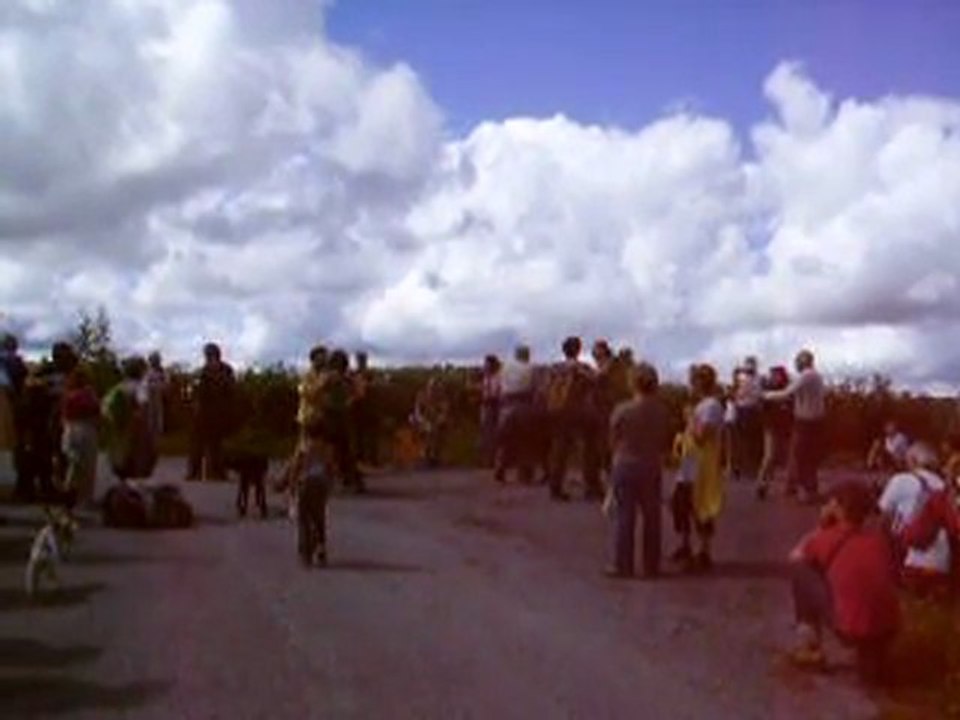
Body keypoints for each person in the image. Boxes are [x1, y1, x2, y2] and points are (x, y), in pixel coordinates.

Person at [787, 480, 901, 684]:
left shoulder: (826, 537)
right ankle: (878, 653)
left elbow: (795, 556)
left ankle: (810, 645)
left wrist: (821, 526)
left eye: (829, 503)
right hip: (889, 627)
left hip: (847, 628)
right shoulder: (880, 540)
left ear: (837, 508)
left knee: (800, 571)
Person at [606, 362, 670, 579]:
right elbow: (664, 440)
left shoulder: (622, 409)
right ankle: (651, 565)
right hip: (651, 464)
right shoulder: (661, 411)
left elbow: (613, 439)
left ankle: (623, 564)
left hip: (626, 463)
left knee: (626, 516)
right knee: (652, 517)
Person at [878, 442, 951, 598]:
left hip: (908, 547)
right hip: (940, 553)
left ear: (912, 460)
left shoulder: (900, 480)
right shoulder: (943, 484)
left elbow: (883, 513)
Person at [672, 364, 725, 571]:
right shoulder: (701, 404)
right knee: (680, 503)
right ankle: (685, 544)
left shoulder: (711, 406)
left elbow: (702, 436)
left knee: (700, 506)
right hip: (691, 460)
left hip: (702, 463)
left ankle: (704, 551)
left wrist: (690, 418)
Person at [765, 349, 826, 504]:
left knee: (801, 456)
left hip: (806, 422)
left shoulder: (806, 376)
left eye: (798, 361)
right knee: (808, 457)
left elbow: (787, 393)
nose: (795, 364)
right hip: (816, 422)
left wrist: (766, 395)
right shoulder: (816, 376)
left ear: (803, 361)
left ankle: (806, 492)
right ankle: (807, 489)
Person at [547, 336, 601, 502]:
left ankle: (555, 486)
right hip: (578, 411)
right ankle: (592, 486)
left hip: (557, 410)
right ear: (578, 349)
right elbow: (596, 380)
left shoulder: (555, 368)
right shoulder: (581, 368)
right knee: (590, 447)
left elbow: (546, 387)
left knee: (560, 448)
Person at [289, 422, 338, 567]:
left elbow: (295, 467)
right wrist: (330, 485)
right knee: (319, 517)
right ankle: (321, 549)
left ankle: (306, 552)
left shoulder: (304, 447)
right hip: (321, 485)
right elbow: (331, 469)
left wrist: (291, 486)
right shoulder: (327, 449)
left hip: (305, 484)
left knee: (303, 519)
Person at [186, 343, 236, 482]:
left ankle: (213, 472)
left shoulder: (221, 370)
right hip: (209, 411)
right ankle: (199, 472)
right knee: (204, 443)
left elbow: (231, 389)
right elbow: (197, 391)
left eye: (208, 354)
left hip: (213, 411)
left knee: (212, 443)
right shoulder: (209, 370)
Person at [102, 357, 154, 482]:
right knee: (136, 462)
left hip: (118, 429)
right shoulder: (139, 387)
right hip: (134, 429)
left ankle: (123, 486)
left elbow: (105, 408)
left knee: (121, 460)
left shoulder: (117, 388)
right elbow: (143, 406)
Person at [324, 349, 365, 493]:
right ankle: (349, 479)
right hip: (339, 415)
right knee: (342, 450)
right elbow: (357, 393)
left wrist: (346, 401)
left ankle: (347, 479)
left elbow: (357, 393)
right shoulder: (343, 377)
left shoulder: (336, 377)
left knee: (338, 450)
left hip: (336, 415)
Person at [494, 345, 536, 484]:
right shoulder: (530, 368)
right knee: (526, 440)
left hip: (506, 404)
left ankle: (499, 469)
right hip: (524, 403)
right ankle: (524, 474)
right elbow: (534, 387)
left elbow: (499, 386)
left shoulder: (504, 368)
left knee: (505, 441)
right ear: (525, 355)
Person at [61, 367, 101, 507]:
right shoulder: (87, 394)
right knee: (87, 465)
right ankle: (84, 497)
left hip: (70, 428)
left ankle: (70, 494)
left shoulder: (68, 395)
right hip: (85, 428)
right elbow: (96, 410)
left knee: (74, 465)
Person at [756, 365, 792, 500]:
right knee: (769, 456)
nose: (773, 378)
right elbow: (762, 409)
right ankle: (762, 483)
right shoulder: (767, 393)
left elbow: (791, 409)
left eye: (776, 375)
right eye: (772, 376)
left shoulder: (787, 391)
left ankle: (789, 486)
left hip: (785, 429)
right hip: (771, 428)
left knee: (786, 458)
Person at [733, 357, 764, 483]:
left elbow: (736, 394)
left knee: (745, 441)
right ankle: (747, 468)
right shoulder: (752, 379)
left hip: (745, 410)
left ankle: (743, 468)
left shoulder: (742, 378)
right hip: (748, 410)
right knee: (748, 441)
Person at [413, 377, 449, 469]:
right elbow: (417, 412)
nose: (433, 390)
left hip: (436, 422)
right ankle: (425, 456)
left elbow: (444, 412)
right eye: (431, 387)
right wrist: (424, 422)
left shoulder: (441, 397)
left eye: (435, 388)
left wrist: (438, 421)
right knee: (427, 430)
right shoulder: (421, 396)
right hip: (423, 421)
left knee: (438, 430)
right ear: (427, 387)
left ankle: (434, 456)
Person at [350, 351, 379, 469]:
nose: (361, 362)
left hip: (370, 406)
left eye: (362, 359)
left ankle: (372, 459)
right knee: (358, 434)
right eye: (359, 359)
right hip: (357, 406)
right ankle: (359, 458)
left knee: (371, 434)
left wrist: (368, 384)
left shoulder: (369, 373)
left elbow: (375, 387)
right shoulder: (352, 373)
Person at [477, 355, 502, 468]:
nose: (485, 366)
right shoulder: (486, 377)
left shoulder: (497, 377)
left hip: (493, 405)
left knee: (493, 433)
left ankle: (493, 460)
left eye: (487, 364)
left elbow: (496, 392)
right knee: (485, 433)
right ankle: (487, 459)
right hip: (486, 405)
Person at [141, 351, 167, 446]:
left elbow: (165, 384)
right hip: (149, 396)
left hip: (158, 396)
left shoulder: (162, 372)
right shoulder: (148, 372)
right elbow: (144, 384)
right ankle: (150, 436)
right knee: (150, 417)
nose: (154, 362)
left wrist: (160, 387)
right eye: (153, 360)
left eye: (156, 360)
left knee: (158, 415)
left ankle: (158, 435)